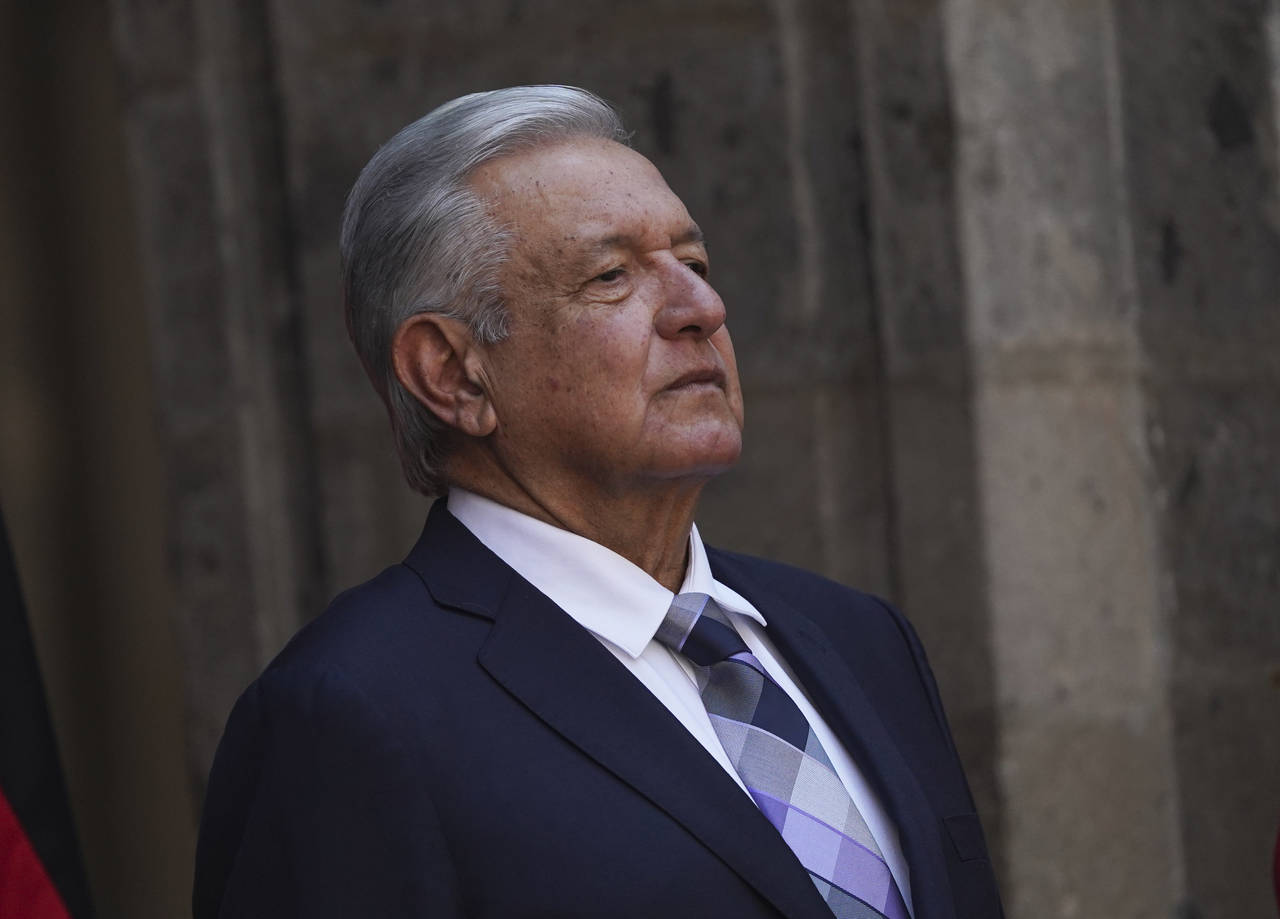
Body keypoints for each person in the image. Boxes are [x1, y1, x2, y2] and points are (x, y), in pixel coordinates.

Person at [193, 85, 1003, 919]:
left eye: (693, 263)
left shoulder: (861, 637)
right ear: (453, 373)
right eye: (612, 275)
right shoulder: (347, 716)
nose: (703, 309)